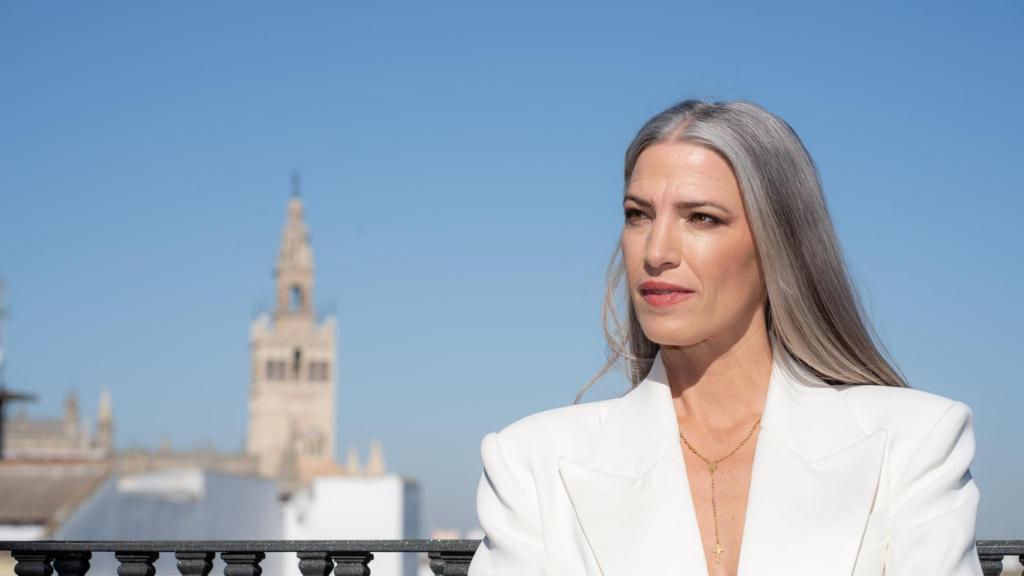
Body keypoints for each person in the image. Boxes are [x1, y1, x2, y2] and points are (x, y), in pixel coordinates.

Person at [466, 99, 983, 576]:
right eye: (637, 215)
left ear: (780, 242)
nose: (656, 251)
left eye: (702, 218)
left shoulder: (917, 440)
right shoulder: (529, 461)